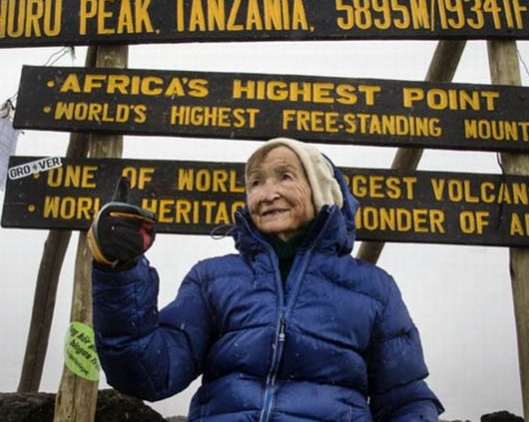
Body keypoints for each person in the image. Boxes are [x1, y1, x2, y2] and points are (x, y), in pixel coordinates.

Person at [88, 137, 443, 421]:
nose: (267, 193)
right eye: (255, 182)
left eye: (285, 176)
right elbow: (148, 372)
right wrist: (119, 271)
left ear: (321, 191)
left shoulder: (375, 289)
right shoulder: (212, 278)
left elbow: (405, 401)